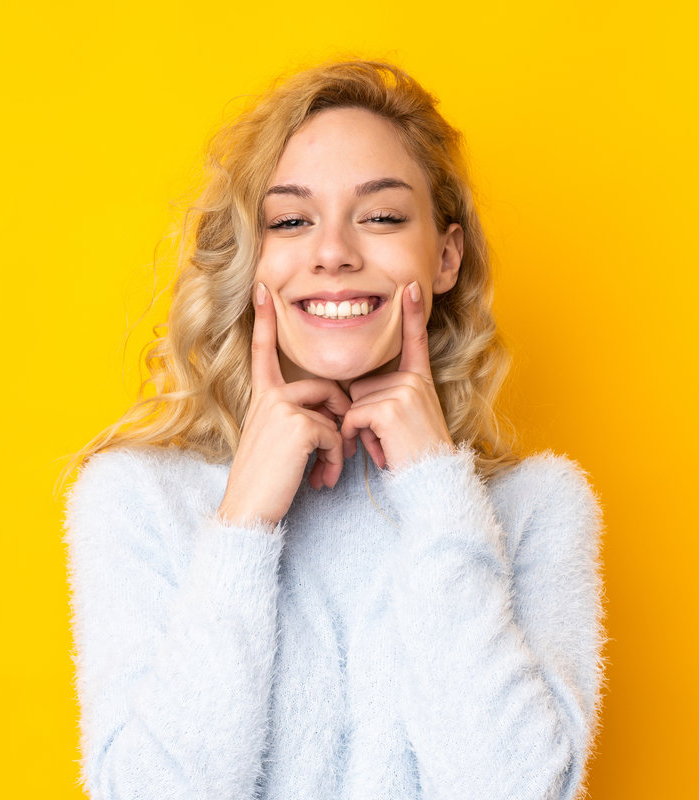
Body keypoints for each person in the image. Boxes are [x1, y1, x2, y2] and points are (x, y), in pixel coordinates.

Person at [62, 60, 605, 799]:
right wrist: (242, 527)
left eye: (380, 216)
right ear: (255, 258)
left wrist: (438, 490)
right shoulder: (133, 499)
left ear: (445, 256)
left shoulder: (539, 508)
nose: (333, 252)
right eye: (290, 220)